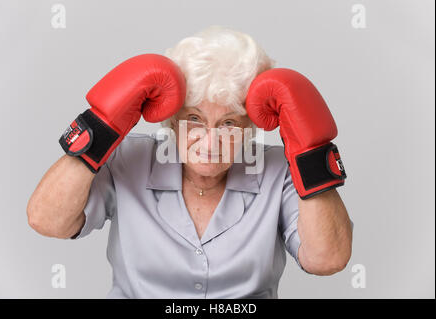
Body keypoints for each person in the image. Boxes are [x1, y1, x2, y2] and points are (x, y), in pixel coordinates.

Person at [27, 25, 353, 298]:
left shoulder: (279, 171)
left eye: (229, 123)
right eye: (194, 119)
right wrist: (100, 127)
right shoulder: (129, 159)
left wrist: (309, 153)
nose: (210, 142)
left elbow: (327, 259)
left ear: (250, 128)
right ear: (171, 120)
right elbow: (48, 221)